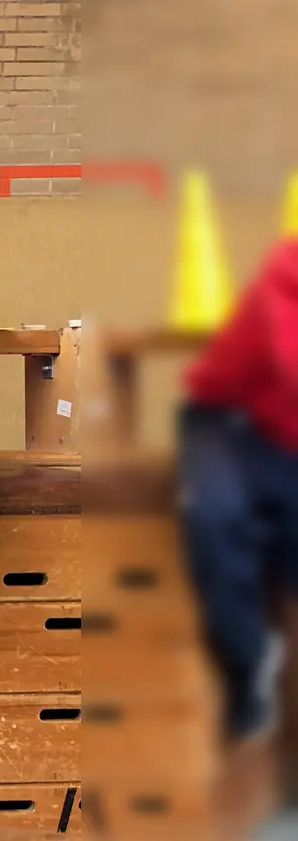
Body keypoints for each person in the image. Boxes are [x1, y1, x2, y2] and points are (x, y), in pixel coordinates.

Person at [177, 236, 298, 743]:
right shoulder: (287, 271)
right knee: (217, 516)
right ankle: (247, 664)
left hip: (283, 434)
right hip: (227, 422)